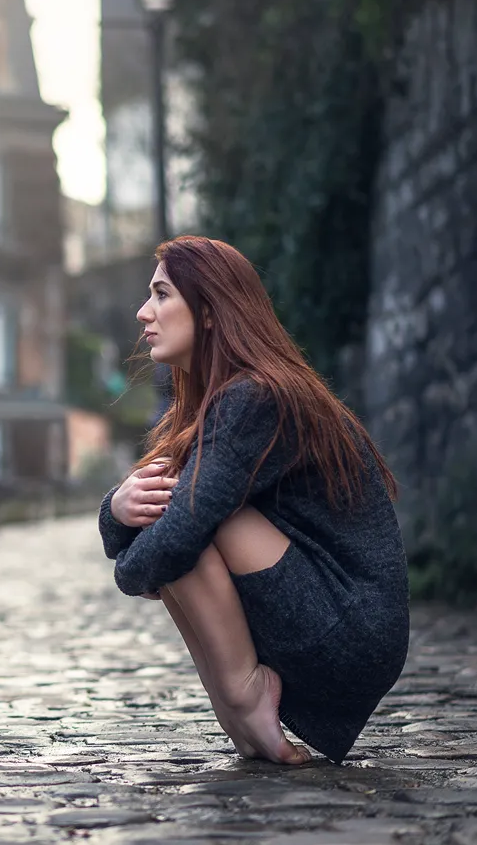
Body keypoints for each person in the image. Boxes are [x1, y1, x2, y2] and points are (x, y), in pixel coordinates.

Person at [98, 235, 409, 765]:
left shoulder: (256, 397)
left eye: (162, 294)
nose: (143, 311)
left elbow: (173, 539)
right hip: (331, 619)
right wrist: (117, 509)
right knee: (175, 517)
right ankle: (242, 716)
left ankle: (247, 690)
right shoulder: (222, 401)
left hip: (350, 630)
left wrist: (132, 568)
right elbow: (152, 531)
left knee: (182, 523)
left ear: (212, 311)